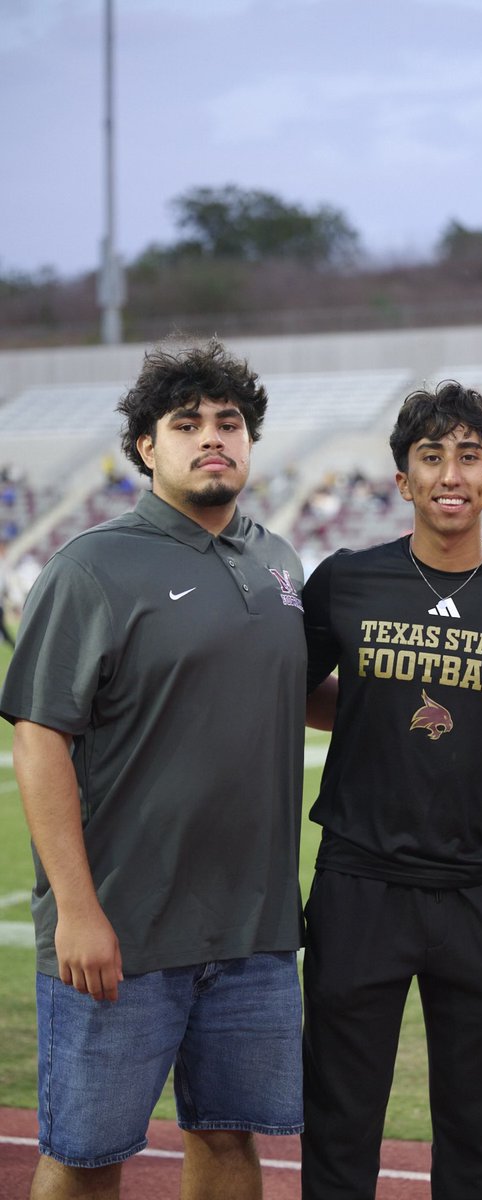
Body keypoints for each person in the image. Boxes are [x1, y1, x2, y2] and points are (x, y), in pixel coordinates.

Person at [0, 339, 307, 1200]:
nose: (213, 437)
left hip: (253, 932)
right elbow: (40, 737)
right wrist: (77, 910)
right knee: (86, 1158)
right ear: (145, 448)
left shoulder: (278, 559)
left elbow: (301, 688)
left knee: (229, 1143)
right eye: (187, 424)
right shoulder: (92, 566)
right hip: (122, 934)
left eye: (230, 422)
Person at [301, 380, 482, 1199]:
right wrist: (369, 722)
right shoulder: (347, 580)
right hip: (360, 884)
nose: (451, 472)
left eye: (470, 455)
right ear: (403, 480)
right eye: (431, 456)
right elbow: (294, 686)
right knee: (339, 1117)